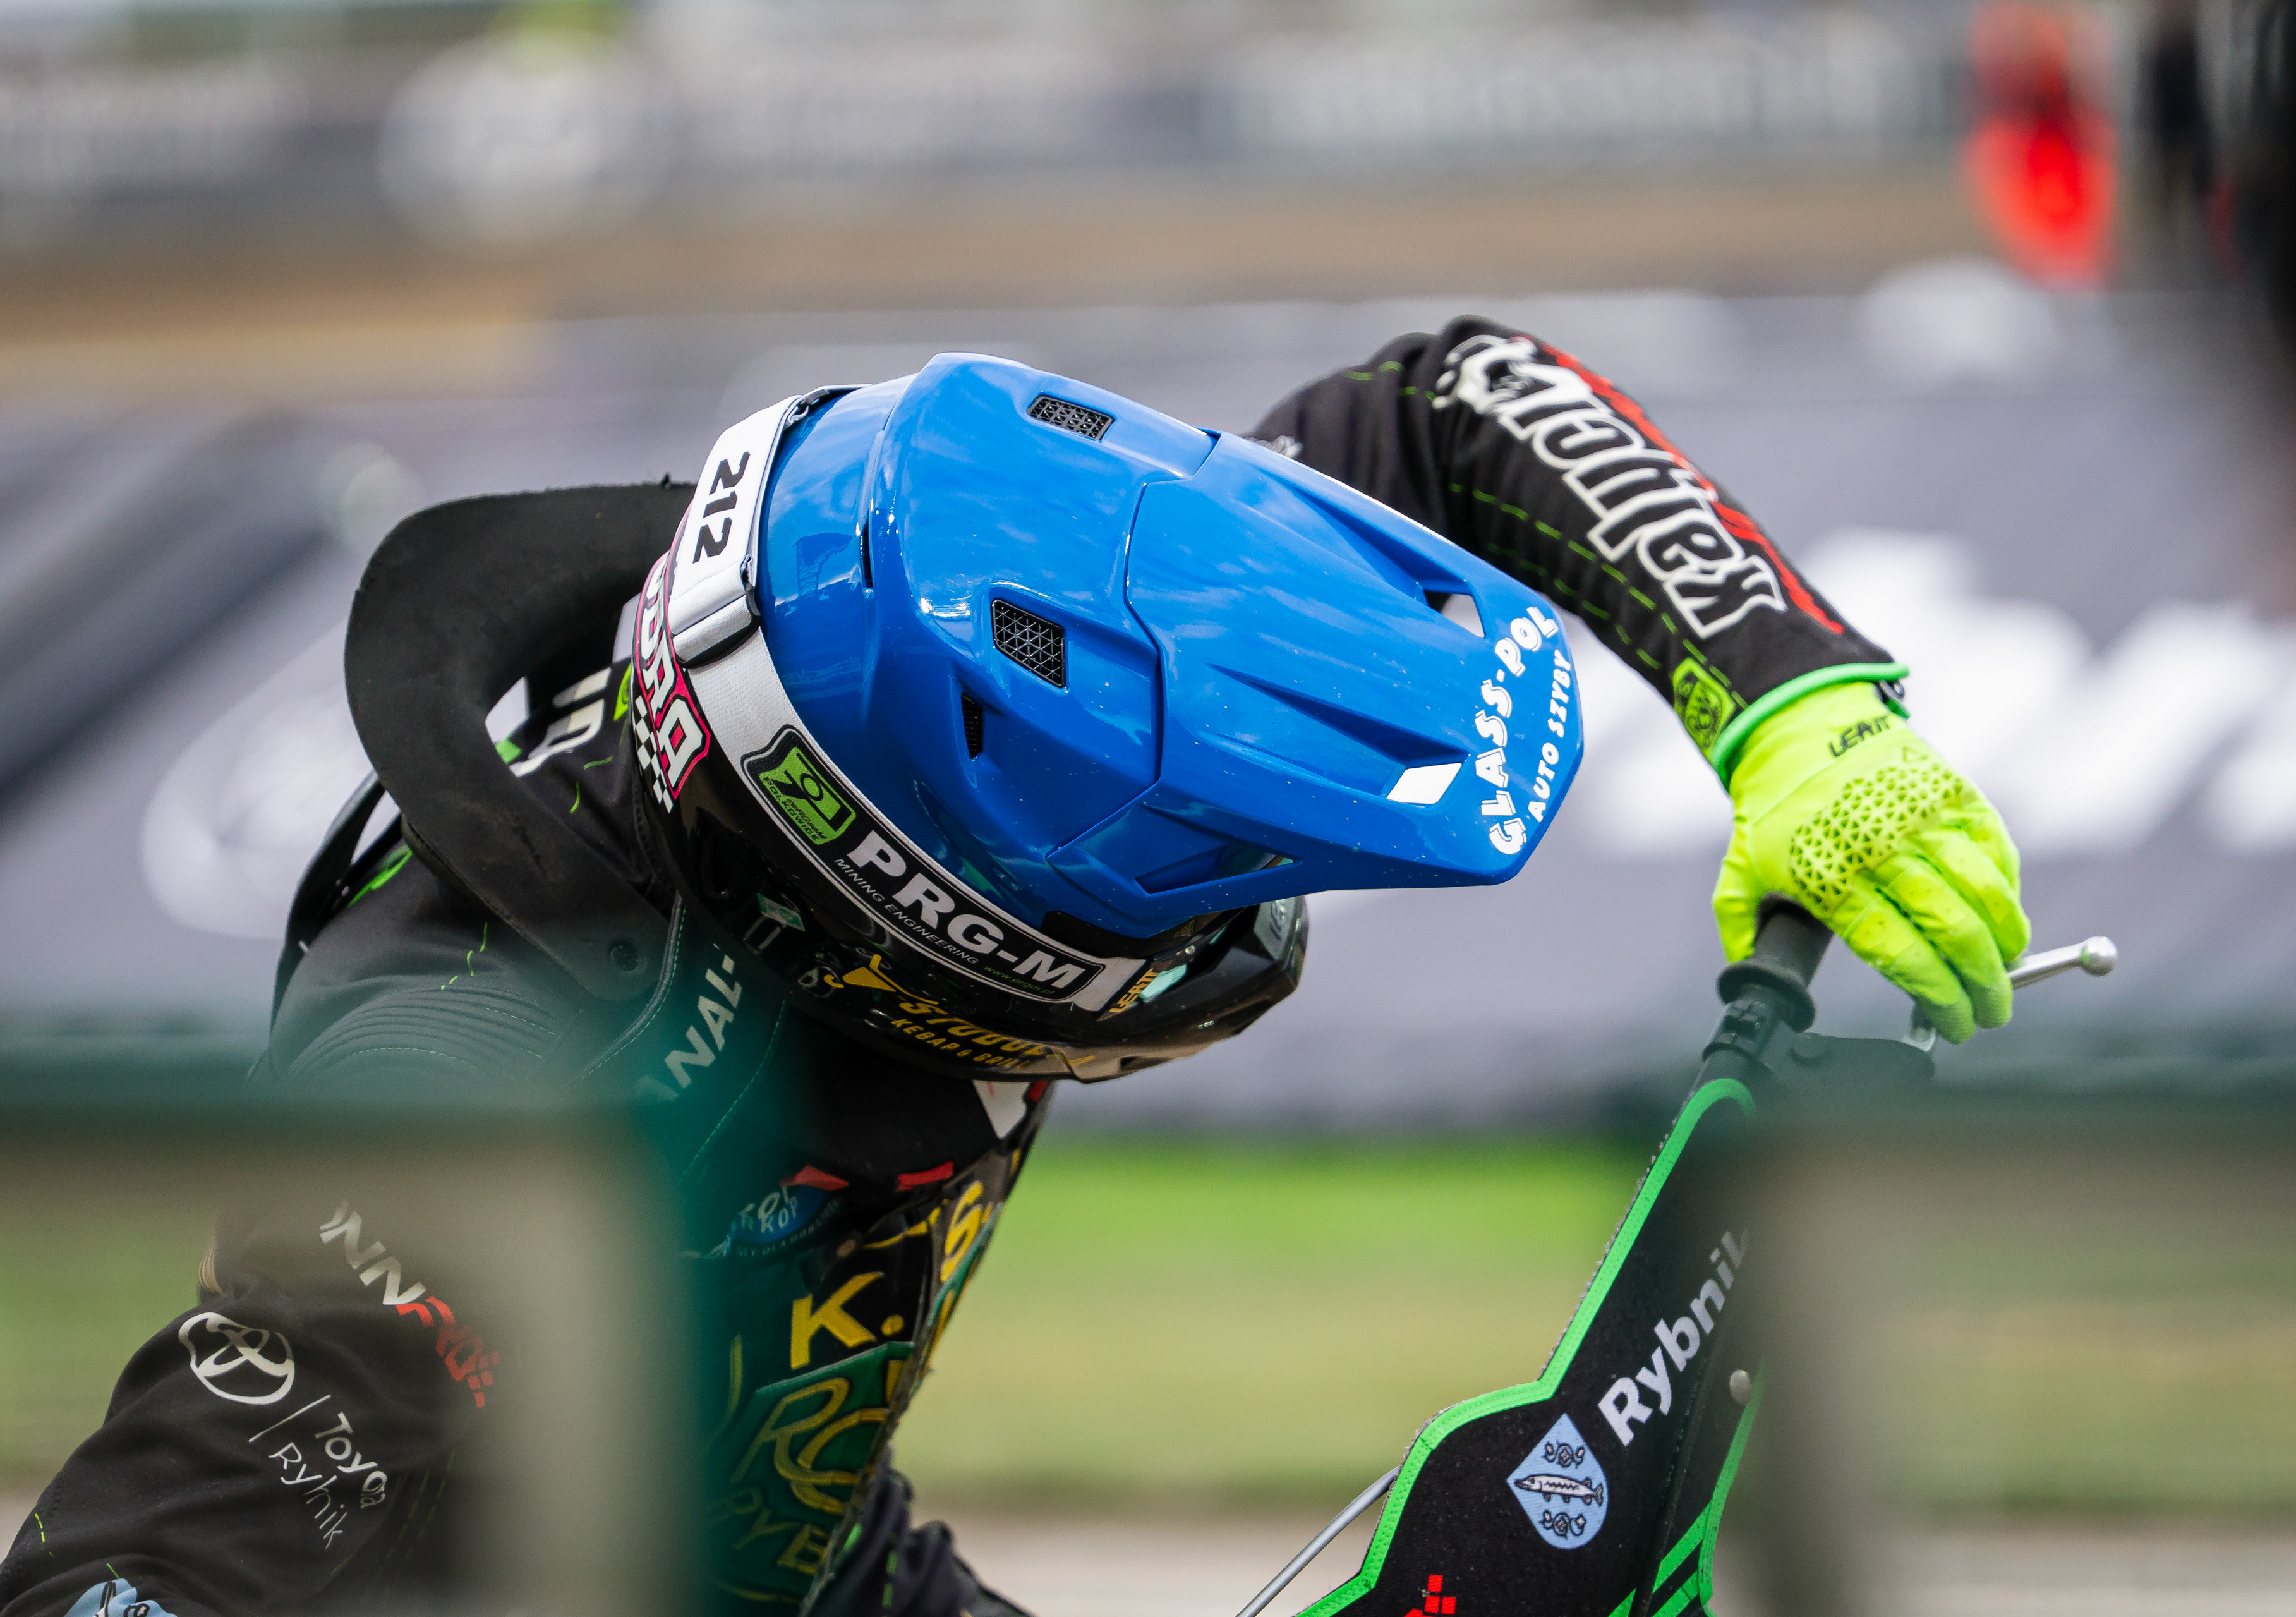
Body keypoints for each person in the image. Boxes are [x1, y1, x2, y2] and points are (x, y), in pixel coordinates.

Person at [0, 320, 2029, 1617]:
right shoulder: (468, 1100)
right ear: (898, 914)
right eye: (1153, 912)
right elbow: (136, 1567)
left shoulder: (928, 650)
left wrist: (1796, 709)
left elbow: (1448, 404)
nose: (1196, 937)